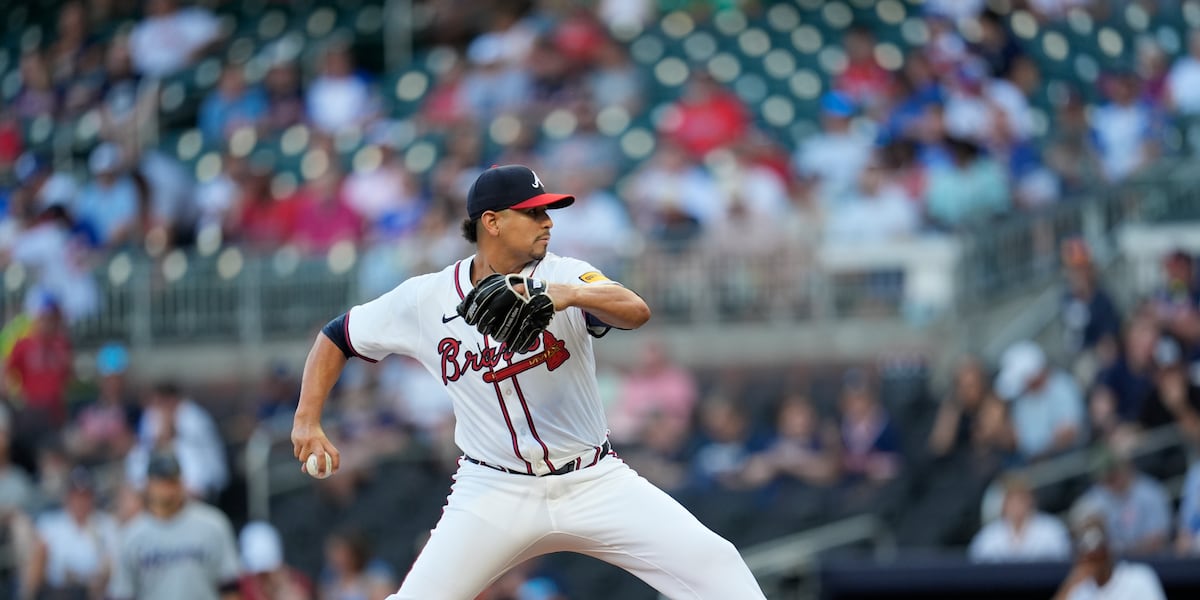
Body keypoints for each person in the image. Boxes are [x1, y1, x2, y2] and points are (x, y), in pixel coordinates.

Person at [290, 164, 767, 599]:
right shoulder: (426, 298)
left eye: (549, 211)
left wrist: (564, 295)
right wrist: (307, 419)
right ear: (492, 222)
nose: (549, 222)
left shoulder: (566, 272)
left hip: (593, 478)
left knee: (719, 568)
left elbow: (634, 310)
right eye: (534, 212)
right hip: (494, 488)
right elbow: (337, 336)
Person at [108, 452, 241, 600]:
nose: (167, 488)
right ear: (148, 484)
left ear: (181, 481)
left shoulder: (213, 524)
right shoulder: (132, 535)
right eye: (161, 481)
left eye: (171, 481)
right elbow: (123, 592)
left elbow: (229, 586)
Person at [1053, 516, 1165, 600]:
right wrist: (1071, 583)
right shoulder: (1079, 590)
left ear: (1107, 550)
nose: (1091, 559)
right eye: (1085, 554)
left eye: (1097, 552)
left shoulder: (1139, 578)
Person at [969, 475, 1071, 562]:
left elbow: (1062, 560)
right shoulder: (989, 535)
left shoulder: (1052, 529)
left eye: (1021, 499)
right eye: (1011, 500)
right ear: (1004, 504)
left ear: (1030, 500)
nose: (1016, 505)